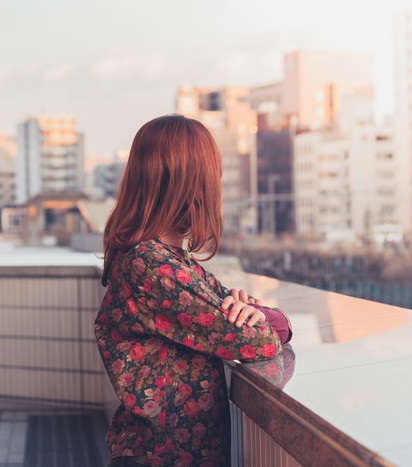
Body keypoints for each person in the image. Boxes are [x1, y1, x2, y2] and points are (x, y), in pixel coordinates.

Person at [94, 115, 292, 467]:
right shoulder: (152, 266)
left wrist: (258, 314)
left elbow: (238, 313)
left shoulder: (170, 260)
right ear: (190, 184)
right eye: (212, 175)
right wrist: (269, 320)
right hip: (160, 457)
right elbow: (257, 340)